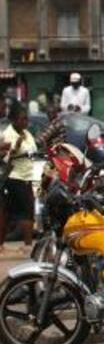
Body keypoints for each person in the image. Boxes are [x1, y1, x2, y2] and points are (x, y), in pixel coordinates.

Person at [0, 103, 37, 255]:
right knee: (26, 211)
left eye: (26, 119)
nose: (25, 122)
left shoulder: (26, 134)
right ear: (14, 120)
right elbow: (6, 157)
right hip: (15, 177)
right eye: (22, 119)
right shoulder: (8, 135)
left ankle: (2, 245)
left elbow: (33, 150)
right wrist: (15, 147)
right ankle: (28, 245)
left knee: (9, 212)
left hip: (27, 176)